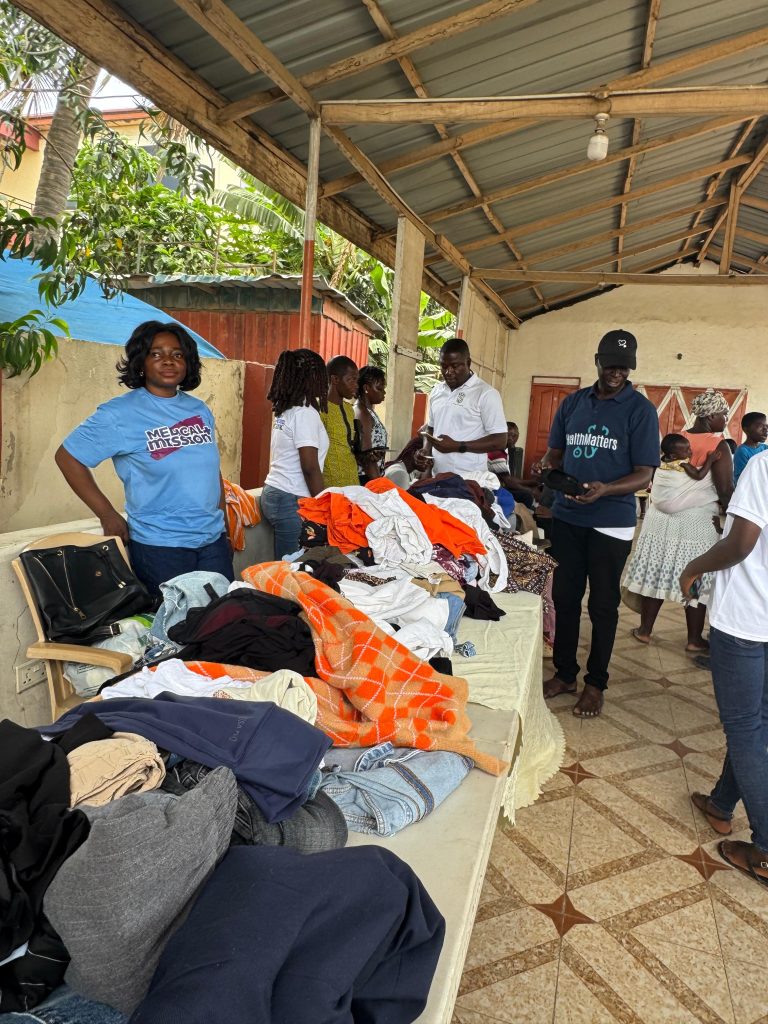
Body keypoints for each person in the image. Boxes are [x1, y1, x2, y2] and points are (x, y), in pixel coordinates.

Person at [55, 320, 233, 598]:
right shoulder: (118, 414)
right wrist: (107, 514)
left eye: (177, 354)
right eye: (156, 353)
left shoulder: (199, 410)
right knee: (175, 623)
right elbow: (67, 458)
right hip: (161, 547)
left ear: (188, 363)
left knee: (222, 618)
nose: (168, 361)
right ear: (141, 362)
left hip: (212, 543)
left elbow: (212, 472)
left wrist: (224, 527)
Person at [542, 329, 659, 718]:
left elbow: (644, 474)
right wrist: (551, 469)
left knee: (604, 604)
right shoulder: (574, 403)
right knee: (565, 598)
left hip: (611, 521)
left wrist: (606, 489)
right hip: (568, 515)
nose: (617, 372)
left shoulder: (640, 410)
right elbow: (555, 452)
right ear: (597, 361)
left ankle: (595, 683)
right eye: (610, 365)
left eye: (624, 367)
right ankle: (565, 674)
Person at [680, 451, 768, 889]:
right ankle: (720, 803)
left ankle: (766, 849)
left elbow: (740, 544)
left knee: (745, 728)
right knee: (757, 722)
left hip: (747, 617)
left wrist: (693, 567)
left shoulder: (764, 466)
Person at [624, 391, 734, 651]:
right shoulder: (719, 446)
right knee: (694, 574)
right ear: (710, 415)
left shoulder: (676, 440)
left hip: (659, 519)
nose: (726, 420)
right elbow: (724, 489)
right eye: (723, 414)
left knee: (657, 571)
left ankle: (645, 630)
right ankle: (694, 639)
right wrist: (732, 521)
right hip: (696, 521)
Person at [260, 349, 329, 560]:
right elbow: (309, 466)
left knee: (288, 562)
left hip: (276, 491)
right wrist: (322, 505)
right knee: (291, 565)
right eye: (321, 375)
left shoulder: (287, 409)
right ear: (311, 377)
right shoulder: (305, 413)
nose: (324, 382)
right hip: (291, 498)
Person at [416, 338, 507, 477]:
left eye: (454, 366)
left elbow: (500, 440)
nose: (448, 372)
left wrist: (458, 446)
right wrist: (425, 451)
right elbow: (431, 429)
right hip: (437, 477)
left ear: (468, 363)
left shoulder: (486, 393)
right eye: (444, 366)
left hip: (469, 479)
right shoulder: (437, 391)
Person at [320, 355, 359, 488]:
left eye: (357, 380)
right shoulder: (320, 409)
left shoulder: (349, 409)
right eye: (351, 380)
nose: (356, 385)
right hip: (331, 485)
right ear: (335, 379)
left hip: (352, 481)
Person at [488, 422, 540, 509]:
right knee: (527, 496)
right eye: (508, 435)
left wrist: (531, 483)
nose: (511, 438)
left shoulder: (504, 451)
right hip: (494, 490)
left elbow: (509, 479)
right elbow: (509, 482)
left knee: (529, 490)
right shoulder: (496, 453)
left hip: (502, 485)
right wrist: (531, 491)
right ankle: (522, 514)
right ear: (502, 435)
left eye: (515, 435)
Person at [354, 365, 388, 481]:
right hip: (367, 479)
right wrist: (379, 485)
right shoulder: (363, 414)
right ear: (366, 388)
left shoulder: (368, 411)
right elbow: (367, 459)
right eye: (379, 388)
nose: (384, 392)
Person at [658, 433, 722, 480]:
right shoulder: (682, 463)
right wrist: (710, 460)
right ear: (673, 456)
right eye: (687, 450)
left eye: (689, 447)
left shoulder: (662, 457)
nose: (691, 451)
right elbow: (699, 476)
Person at [733, 411, 768, 482]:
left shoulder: (765, 448)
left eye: (767, 426)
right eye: (760, 426)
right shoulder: (742, 451)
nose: (766, 430)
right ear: (746, 429)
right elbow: (744, 479)